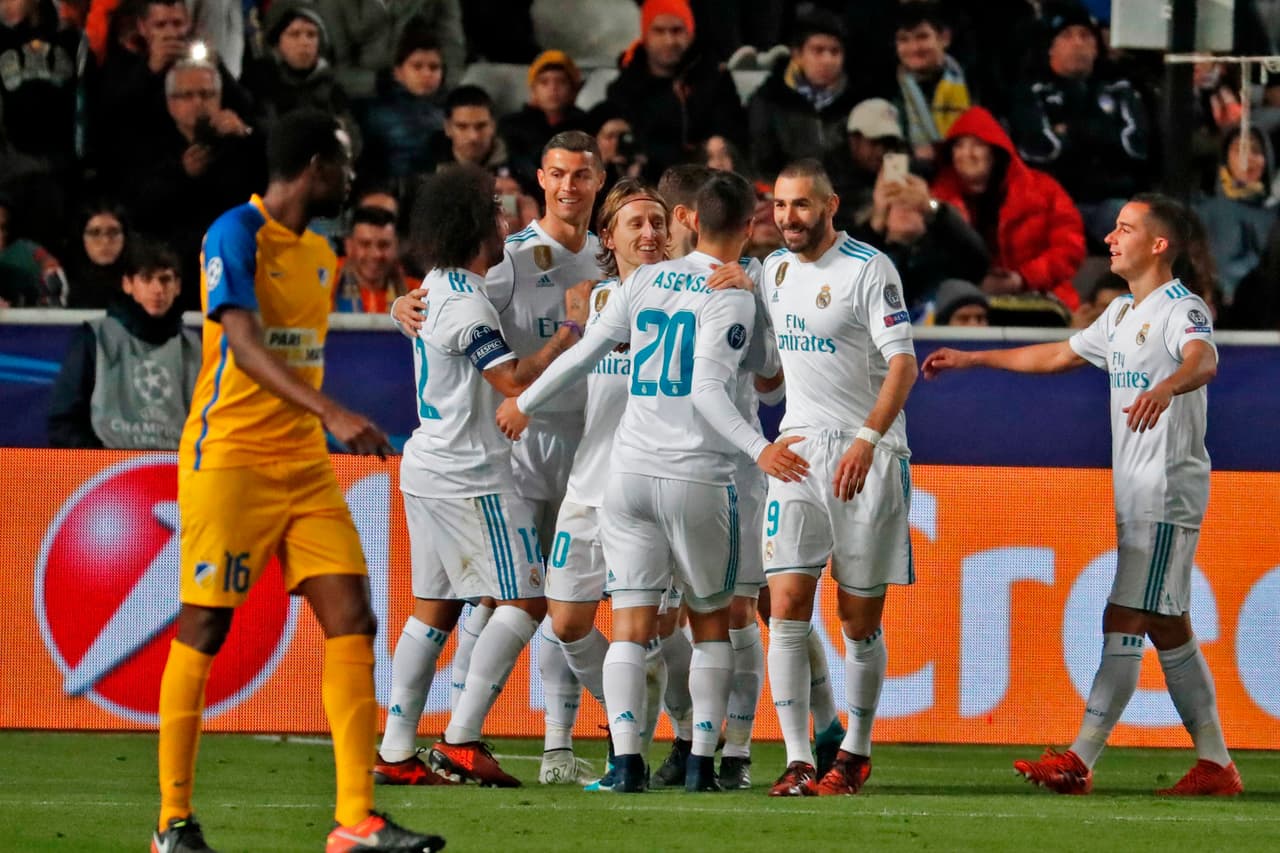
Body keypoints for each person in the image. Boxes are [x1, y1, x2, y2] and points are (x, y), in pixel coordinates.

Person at [152, 109, 443, 853]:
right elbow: (243, 345)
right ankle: (173, 823)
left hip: (303, 469)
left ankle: (355, 821)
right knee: (205, 624)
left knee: (353, 617)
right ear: (315, 165)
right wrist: (333, 412)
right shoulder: (233, 235)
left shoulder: (322, 254)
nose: (351, 179)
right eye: (344, 165)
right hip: (232, 459)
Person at [496, 170, 809, 793]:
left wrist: (524, 401)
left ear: (687, 220)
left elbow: (583, 354)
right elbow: (740, 381)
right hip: (702, 473)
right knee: (716, 621)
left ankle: (626, 764)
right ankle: (703, 764)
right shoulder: (734, 292)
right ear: (747, 226)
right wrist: (762, 448)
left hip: (629, 476)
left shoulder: (641, 282)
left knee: (635, 627)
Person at [922, 193, 1243, 799]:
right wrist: (973, 357)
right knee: (1167, 626)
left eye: (1124, 229)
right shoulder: (1121, 314)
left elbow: (1204, 361)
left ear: (1158, 245)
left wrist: (1167, 387)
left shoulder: (1182, 308)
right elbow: (1055, 355)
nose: (1110, 239)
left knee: (1124, 615)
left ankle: (1080, 757)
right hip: (1138, 494)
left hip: (1167, 492)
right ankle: (1215, 765)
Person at [394, 130, 606, 783]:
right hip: (490, 459)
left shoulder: (610, 255)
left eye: (583, 174)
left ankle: (399, 748)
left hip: (553, 447)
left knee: (444, 603)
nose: (505, 215)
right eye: (557, 174)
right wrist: (572, 332)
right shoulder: (489, 278)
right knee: (525, 596)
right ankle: (463, 737)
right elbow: (511, 380)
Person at [760, 158, 918, 798]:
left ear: (831, 205)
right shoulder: (770, 270)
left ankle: (855, 749)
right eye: (778, 205)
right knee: (787, 606)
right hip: (797, 451)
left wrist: (866, 439)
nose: (788, 218)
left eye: (801, 205)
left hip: (867, 456)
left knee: (858, 619)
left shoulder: (868, 269)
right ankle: (799, 757)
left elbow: (902, 366)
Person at [541, 178, 669, 787]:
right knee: (566, 622)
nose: (649, 234)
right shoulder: (587, 302)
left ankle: (641, 746)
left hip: (647, 492)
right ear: (608, 237)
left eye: (656, 224)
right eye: (635, 225)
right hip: (586, 486)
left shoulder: (684, 299)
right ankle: (630, 706)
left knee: (648, 630)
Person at [121, 57, 266, 310]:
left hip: (233, 262)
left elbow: (268, 190)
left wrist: (247, 136)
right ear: (170, 103)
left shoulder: (242, 141)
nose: (198, 103)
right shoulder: (147, 145)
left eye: (206, 94)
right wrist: (181, 174)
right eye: (187, 96)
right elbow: (137, 207)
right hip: (173, 267)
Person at [1008, 0, 1149, 247]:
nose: (1077, 43)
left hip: (1108, 200)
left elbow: (1135, 148)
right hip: (1050, 201)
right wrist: (1105, 134)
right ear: (1050, 47)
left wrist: (1070, 131)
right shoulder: (1031, 91)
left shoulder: (1119, 89)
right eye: (1067, 35)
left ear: (1096, 47)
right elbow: (1040, 148)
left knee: (1140, 229)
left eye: (1085, 36)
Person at [929, 106, 1085, 311]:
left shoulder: (1043, 190)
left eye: (977, 145)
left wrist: (1022, 279)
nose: (967, 154)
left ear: (994, 151)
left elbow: (1070, 247)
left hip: (1041, 299)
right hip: (966, 304)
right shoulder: (936, 201)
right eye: (959, 146)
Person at [48, 238, 199, 449]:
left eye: (165, 280)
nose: (158, 289)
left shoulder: (195, 347)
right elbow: (63, 422)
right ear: (128, 284)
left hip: (178, 471)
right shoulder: (95, 337)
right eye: (147, 279)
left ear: (178, 286)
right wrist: (100, 461)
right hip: (110, 473)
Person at [604, 0, 747, 180]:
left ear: (691, 34)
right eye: (659, 31)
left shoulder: (715, 79)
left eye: (677, 31)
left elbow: (732, 133)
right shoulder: (624, 88)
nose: (669, 40)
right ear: (645, 35)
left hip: (705, 183)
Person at [745, 6, 858, 179]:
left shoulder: (856, 101)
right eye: (818, 50)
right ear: (797, 55)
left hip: (849, 197)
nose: (828, 60)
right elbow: (761, 164)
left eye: (835, 52)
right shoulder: (769, 99)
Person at [356, 22, 446, 192]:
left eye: (434, 67)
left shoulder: (452, 111)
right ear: (398, 72)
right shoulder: (375, 114)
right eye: (417, 66)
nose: (426, 74)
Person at [315, 0, 464, 101]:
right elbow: (335, 68)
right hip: (365, 96)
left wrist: (448, 88)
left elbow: (451, 44)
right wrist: (380, 82)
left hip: (428, 89)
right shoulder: (335, 4)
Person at [891, 1, 970, 174]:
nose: (914, 48)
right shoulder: (888, 91)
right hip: (911, 182)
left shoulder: (974, 83)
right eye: (904, 39)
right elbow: (890, 158)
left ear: (945, 38)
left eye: (922, 37)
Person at [500, 49, 592, 190]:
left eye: (561, 82)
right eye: (544, 82)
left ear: (573, 90)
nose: (553, 89)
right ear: (533, 91)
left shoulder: (587, 125)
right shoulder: (512, 126)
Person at [333, 205, 414, 313]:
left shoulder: (415, 293)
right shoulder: (328, 281)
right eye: (365, 244)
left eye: (384, 245)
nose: (376, 254)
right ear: (349, 246)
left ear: (396, 246)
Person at [65, 202, 130, 309]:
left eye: (113, 232)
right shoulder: (63, 285)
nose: (105, 241)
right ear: (81, 238)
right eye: (95, 233)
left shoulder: (145, 283)